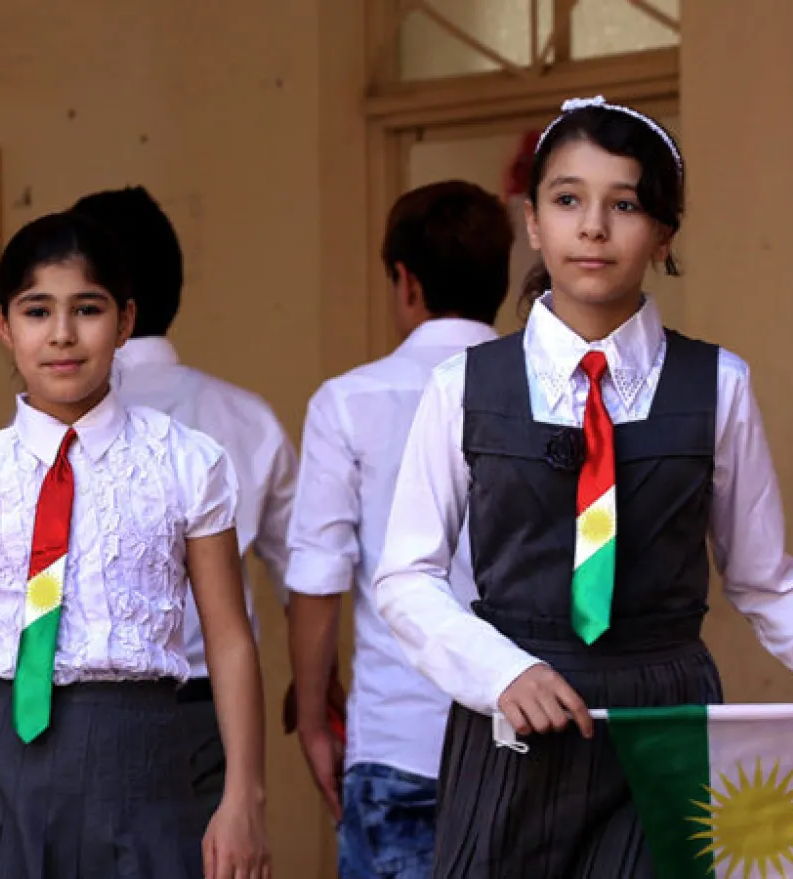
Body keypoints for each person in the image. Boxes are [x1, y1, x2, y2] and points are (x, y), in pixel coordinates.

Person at [372, 96, 793, 878]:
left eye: (625, 204)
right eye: (568, 199)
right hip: (512, 722)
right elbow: (404, 577)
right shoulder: (462, 386)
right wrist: (499, 670)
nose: (593, 227)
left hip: (669, 729)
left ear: (664, 235)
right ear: (533, 223)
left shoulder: (720, 385)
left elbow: (768, 583)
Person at [0, 211, 271, 879]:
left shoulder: (184, 462)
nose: (63, 334)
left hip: (147, 757)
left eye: (88, 309)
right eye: (37, 310)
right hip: (5, 762)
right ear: (3, 324)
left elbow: (228, 637)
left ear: (126, 322)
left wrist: (243, 794)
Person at [284, 180, 512, 879]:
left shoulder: (347, 403)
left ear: (405, 282)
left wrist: (319, 725)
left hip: (396, 743)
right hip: (524, 739)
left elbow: (318, 583)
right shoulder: (548, 395)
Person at [70, 185, 308, 829]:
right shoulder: (246, 419)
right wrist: (317, 690)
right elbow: (307, 575)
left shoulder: (53, 428)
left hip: (75, 721)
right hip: (208, 725)